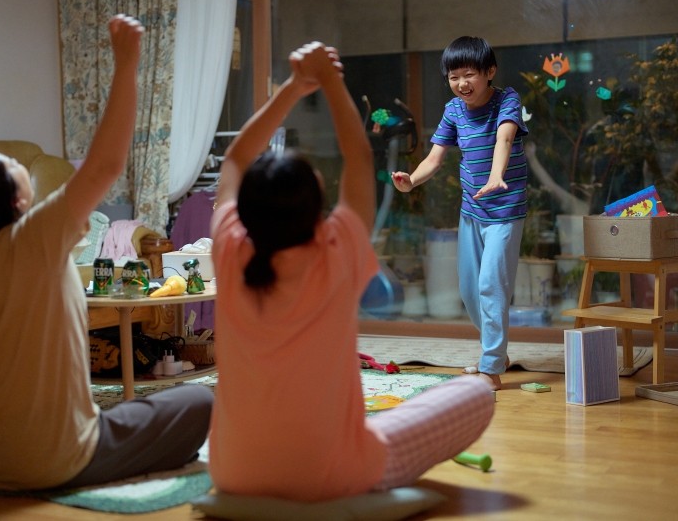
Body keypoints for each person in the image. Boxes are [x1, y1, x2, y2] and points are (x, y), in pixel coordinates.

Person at [0, 15, 212, 491]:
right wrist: (127, 63)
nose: (18, 164)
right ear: (15, 201)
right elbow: (105, 164)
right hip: (58, 462)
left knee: (143, 412)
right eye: (11, 165)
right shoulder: (36, 235)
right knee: (198, 402)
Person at [209, 41, 495, 502]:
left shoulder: (228, 249)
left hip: (233, 473)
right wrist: (329, 79)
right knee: (476, 394)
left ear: (245, 211)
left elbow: (235, 160)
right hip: (335, 475)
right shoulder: (335, 250)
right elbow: (360, 158)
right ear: (316, 204)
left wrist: (293, 87)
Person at [392, 36, 529, 391]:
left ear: (489, 72)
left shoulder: (507, 99)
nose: (462, 83)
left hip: (505, 210)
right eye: (454, 77)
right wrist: (412, 181)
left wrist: (497, 175)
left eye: (469, 74)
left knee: (490, 285)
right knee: (469, 290)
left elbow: (504, 139)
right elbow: (435, 157)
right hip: (472, 210)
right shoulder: (454, 110)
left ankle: (491, 367)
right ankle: (496, 352)